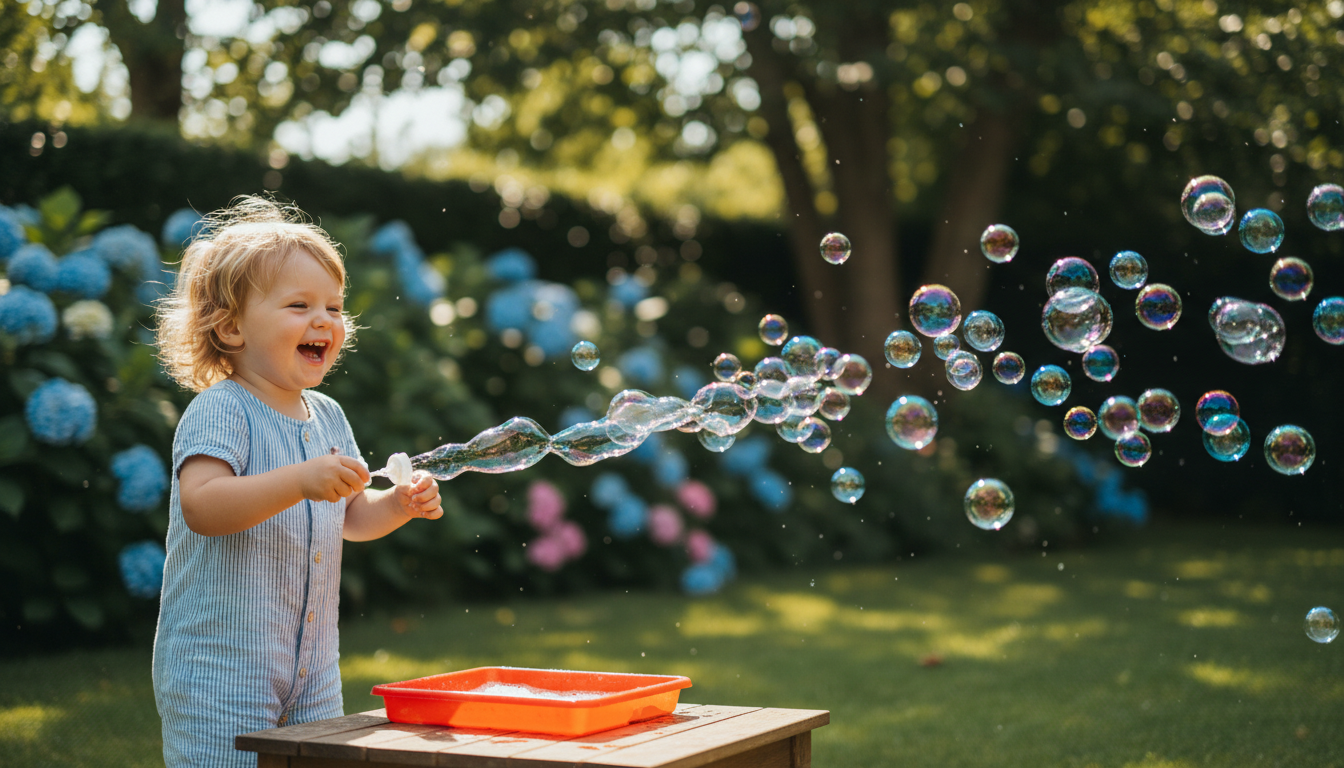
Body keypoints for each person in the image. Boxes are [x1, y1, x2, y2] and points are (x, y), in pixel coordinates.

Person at [151, 197, 442, 766]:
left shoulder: (328, 415)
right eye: (298, 304)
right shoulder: (222, 411)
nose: (324, 320)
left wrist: (398, 505)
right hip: (219, 671)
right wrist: (300, 481)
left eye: (334, 306)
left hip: (310, 669)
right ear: (231, 327)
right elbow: (204, 507)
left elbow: (351, 517)